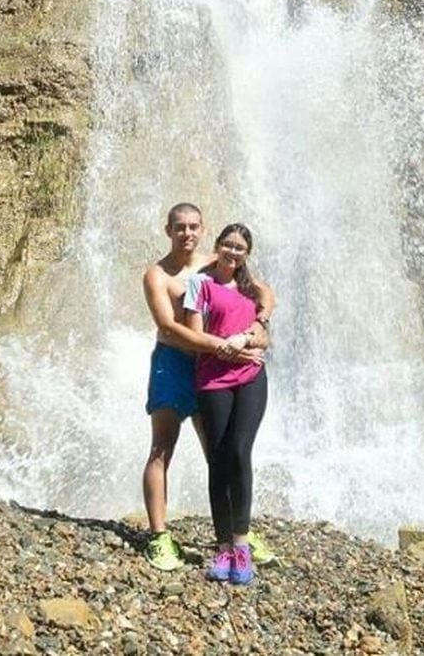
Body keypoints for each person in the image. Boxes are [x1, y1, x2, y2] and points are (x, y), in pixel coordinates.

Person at [141, 202, 275, 571]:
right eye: (180, 226)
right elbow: (168, 326)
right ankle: (159, 536)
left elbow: (263, 292)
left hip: (212, 367)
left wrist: (259, 322)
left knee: (222, 452)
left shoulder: (214, 261)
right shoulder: (158, 274)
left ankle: (237, 533)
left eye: (193, 226)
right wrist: (221, 345)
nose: (187, 233)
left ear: (203, 230)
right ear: (168, 229)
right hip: (175, 363)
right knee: (162, 447)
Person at [184, 223, 269, 586]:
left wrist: (247, 337)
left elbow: (263, 337)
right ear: (217, 247)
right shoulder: (200, 285)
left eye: (240, 248)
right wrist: (225, 346)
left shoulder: (254, 291)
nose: (233, 252)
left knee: (239, 450)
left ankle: (241, 543)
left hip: (250, 378)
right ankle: (222, 546)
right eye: (228, 245)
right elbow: (194, 333)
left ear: (246, 254)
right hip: (213, 379)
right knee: (218, 457)